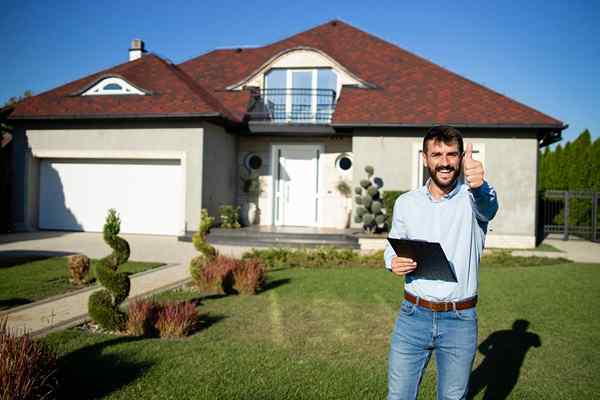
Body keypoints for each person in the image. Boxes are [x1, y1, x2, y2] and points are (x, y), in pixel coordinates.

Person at [384, 125, 499, 400]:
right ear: (425, 158)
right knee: (398, 396)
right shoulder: (405, 203)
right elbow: (394, 246)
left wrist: (480, 185)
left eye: (451, 154)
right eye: (437, 154)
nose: (444, 162)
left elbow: (489, 207)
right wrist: (392, 261)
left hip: (459, 320)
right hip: (412, 316)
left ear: (460, 158)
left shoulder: (475, 199)